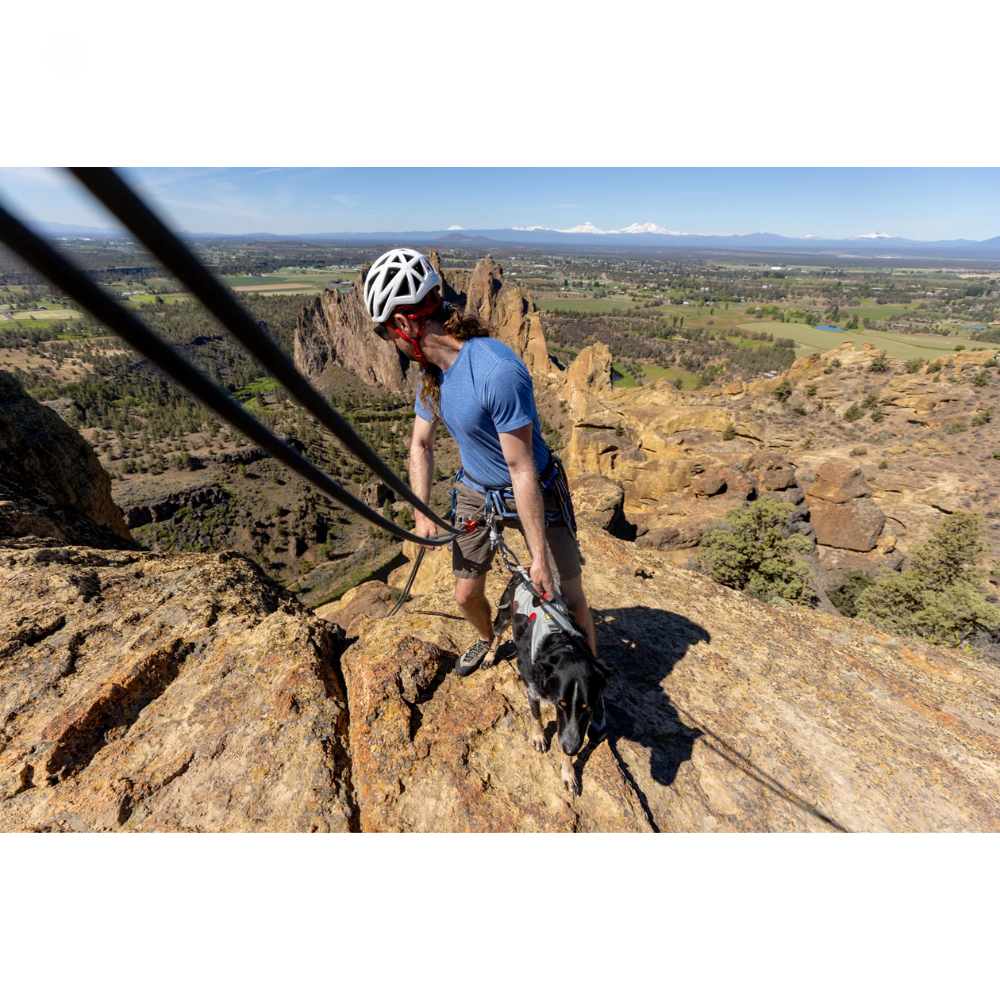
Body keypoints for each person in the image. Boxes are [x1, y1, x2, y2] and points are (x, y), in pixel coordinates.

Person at [363, 248, 599, 681]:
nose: (389, 344)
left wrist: (538, 558)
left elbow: (521, 467)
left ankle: (590, 678)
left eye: (384, 334)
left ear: (402, 324)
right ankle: (488, 638)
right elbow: (420, 444)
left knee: (569, 596)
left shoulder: (495, 369)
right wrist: (421, 515)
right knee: (465, 595)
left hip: (534, 487)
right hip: (475, 491)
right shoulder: (432, 373)